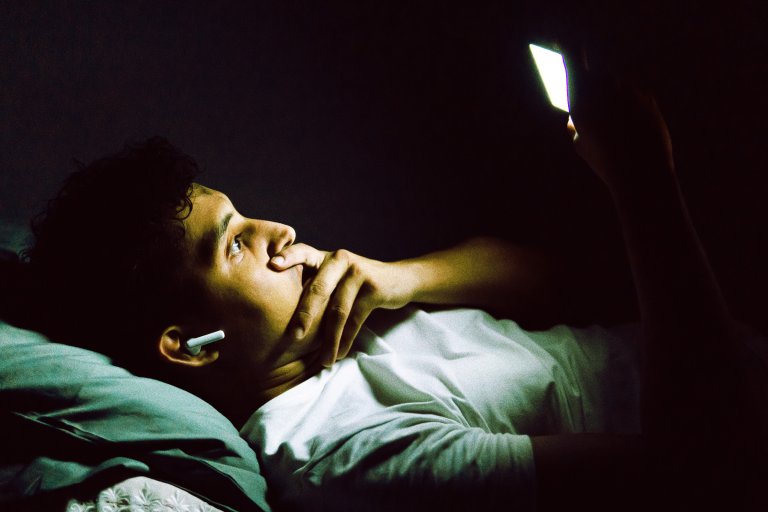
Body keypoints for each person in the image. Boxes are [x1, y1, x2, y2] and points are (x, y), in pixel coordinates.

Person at [1, 51, 765, 512]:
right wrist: (643, 179)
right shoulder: (343, 456)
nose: (281, 234)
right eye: (235, 242)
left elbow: (554, 282)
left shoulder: (337, 325)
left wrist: (406, 278)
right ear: (191, 347)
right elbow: (696, 469)